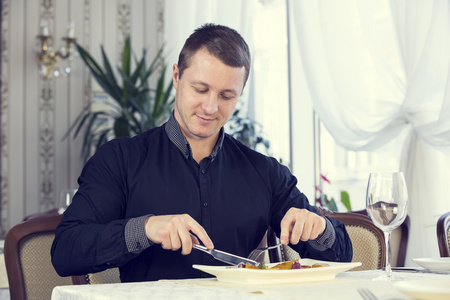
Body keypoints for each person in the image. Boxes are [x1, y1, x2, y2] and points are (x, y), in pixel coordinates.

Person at [51, 23, 352, 282]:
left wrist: (320, 226)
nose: (211, 107)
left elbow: (341, 255)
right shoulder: (119, 159)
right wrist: (145, 228)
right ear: (176, 77)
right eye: (200, 89)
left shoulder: (266, 172)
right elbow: (66, 251)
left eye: (226, 95)